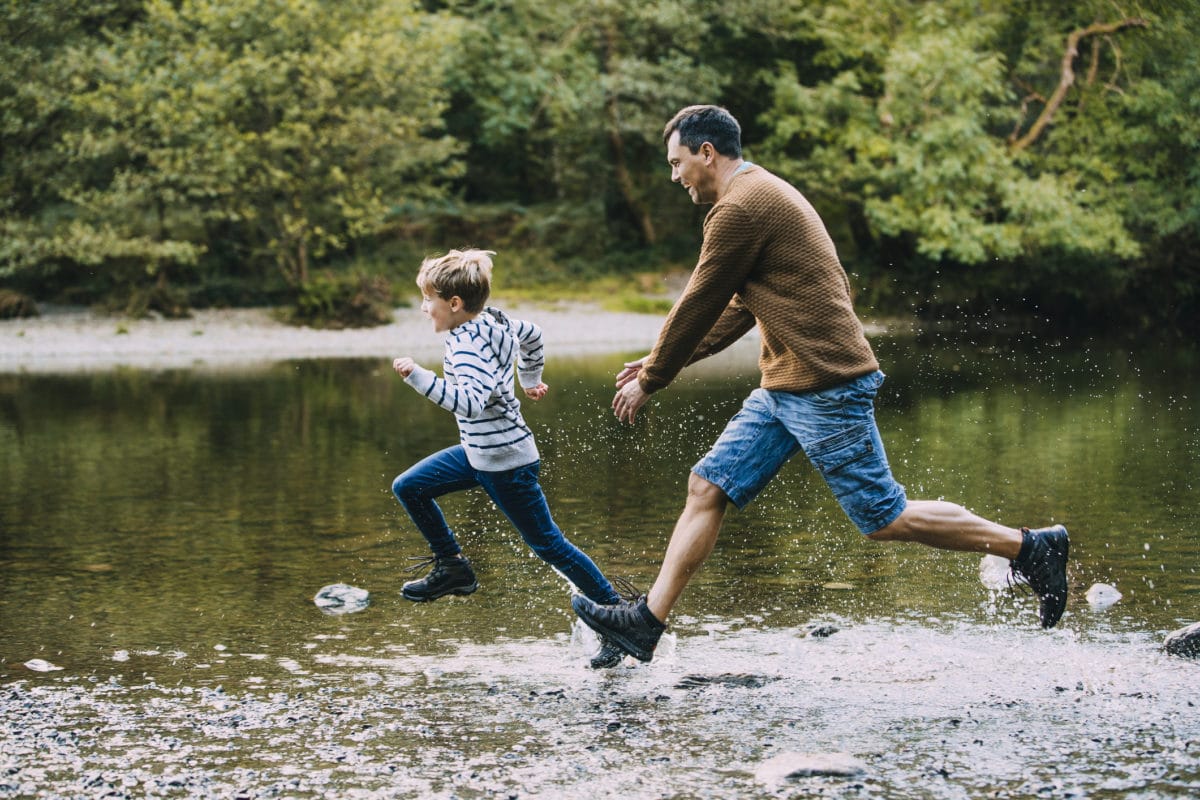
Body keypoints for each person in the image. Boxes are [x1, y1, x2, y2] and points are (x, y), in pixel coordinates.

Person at [571, 105, 1070, 663]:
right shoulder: (755, 194)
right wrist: (661, 361)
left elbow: (700, 297)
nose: (674, 176)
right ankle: (646, 624)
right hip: (786, 385)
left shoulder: (741, 207)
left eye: (677, 162)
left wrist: (655, 377)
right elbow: (736, 304)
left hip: (825, 383)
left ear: (706, 153)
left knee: (885, 518)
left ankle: (1030, 547)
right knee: (706, 487)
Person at [392, 248, 625, 668]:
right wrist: (529, 379)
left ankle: (617, 618)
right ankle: (453, 567)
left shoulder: (464, 347)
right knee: (409, 487)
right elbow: (532, 333)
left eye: (428, 299)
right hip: (480, 454)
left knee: (549, 544)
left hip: (506, 462)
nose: (424, 308)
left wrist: (418, 377)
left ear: (454, 304)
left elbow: (469, 403)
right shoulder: (494, 320)